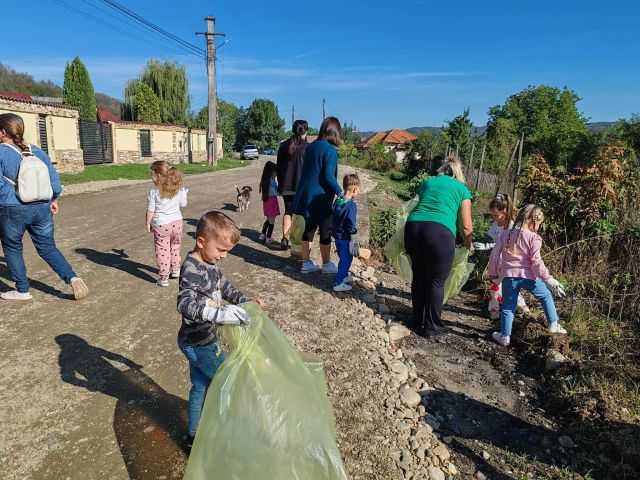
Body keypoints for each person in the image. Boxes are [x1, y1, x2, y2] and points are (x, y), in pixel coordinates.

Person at [177, 211, 257, 450]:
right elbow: (184, 304)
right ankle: (228, 430)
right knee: (227, 381)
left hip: (201, 340)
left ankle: (193, 436)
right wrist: (217, 314)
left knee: (200, 386)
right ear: (201, 242)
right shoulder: (191, 268)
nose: (223, 256)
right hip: (199, 343)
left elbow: (225, 287)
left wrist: (246, 303)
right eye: (220, 250)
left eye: (227, 252)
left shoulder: (211, 264)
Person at [0, 113, 88, 301]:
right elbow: (55, 184)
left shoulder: (1, 152)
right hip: (42, 208)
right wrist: (52, 200)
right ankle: (72, 278)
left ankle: (22, 290)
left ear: (2, 133)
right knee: (47, 247)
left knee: (13, 247)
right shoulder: (37, 151)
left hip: (12, 208)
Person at [404, 154, 473, 337]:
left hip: (413, 228)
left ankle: (416, 321)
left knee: (419, 276)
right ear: (458, 173)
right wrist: (468, 245)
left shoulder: (428, 182)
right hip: (439, 233)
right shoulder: (462, 189)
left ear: (442, 170)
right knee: (436, 281)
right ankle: (432, 327)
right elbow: (466, 226)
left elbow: (414, 204)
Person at [488, 204, 567, 347]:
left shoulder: (505, 234)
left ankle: (505, 336)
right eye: (539, 224)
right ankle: (553, 324)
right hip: (529, 277)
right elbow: (536, 261)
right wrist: (548, 278)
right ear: (534, 221)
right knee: (546, 296)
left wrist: (493, 273)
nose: (538, 227)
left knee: (507, 307)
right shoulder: (534, 238)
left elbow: (494, 255)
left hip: (509, 277)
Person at [293, 116, 343, 274]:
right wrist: (341, 192)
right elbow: (329, 176)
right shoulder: (330, 151)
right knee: (325, 230)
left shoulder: (311, 147)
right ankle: (327, 263)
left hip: (305, 195)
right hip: (320, 198)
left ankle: (306, 263)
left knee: (308, 229)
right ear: (335, 132)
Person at [484, 193, 530, 319]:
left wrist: (488, 246)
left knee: (504, 288)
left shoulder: (512, 227)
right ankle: (499, 312)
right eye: (492, 215)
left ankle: (515, 310)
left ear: (504, 212)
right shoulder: (497, 225)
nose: (494, 218)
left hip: (509, 265)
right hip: (498, 264)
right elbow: (494, 242)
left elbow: (511, 248)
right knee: (499, 288)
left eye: (496, 215)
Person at [145, 161, 188, 287]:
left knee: (162, 250)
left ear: (158, 175)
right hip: (177, 223)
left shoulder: (154, 192)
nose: (151, 177)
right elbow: (183, 204)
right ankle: (175, 270)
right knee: (175, 247)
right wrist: (184, 193)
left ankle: (164, 278)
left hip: (161, 225)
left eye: (152, 174)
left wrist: (148, 223)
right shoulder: (177, 189)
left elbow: (151, 210)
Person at [277, 120, 308, 250]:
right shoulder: (307, 147)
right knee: (301, 214)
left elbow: (279, 167)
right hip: (302, 187)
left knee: (288, 212)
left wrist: (280, 184)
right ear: (305, 131)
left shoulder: (283, 146)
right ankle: (298, 243)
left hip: (286, 186)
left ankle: (285, 239)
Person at [332, 174, 361, 292]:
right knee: (346, 259)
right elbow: (351, 222)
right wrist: (354, 235)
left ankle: (343, 275)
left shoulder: (338, 200)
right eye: (358, 189)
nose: (359, 192)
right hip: (345, 237)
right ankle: (339, 282)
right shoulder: (351, 205)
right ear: (354, 189)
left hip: (337, 235)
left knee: (342, 256)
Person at [258, 161, 280, 245]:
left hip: (266, 202)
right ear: (272, 172)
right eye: (276, 172)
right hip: (272, 201)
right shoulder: (272, 181)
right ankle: (268, 238)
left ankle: (262, 235)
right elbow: (276, 192)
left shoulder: (265, 180)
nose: (277, 174)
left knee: (268, 219)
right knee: (272, 221)